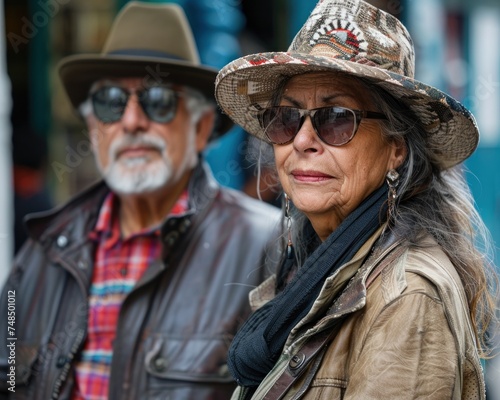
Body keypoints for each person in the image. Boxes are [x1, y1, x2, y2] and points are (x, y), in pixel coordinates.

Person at [215, 0, 499, 398]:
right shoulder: (313, 267)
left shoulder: (407, 298)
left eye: (336, 118)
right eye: (287, 117)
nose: (301, 140)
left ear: (396, 148)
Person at [0, 2, 281, 399]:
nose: (131, 121)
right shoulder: (43, 250)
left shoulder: (267, 245)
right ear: (95, 127)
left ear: (200, 128)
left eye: (159, 101)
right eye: (111, 102)